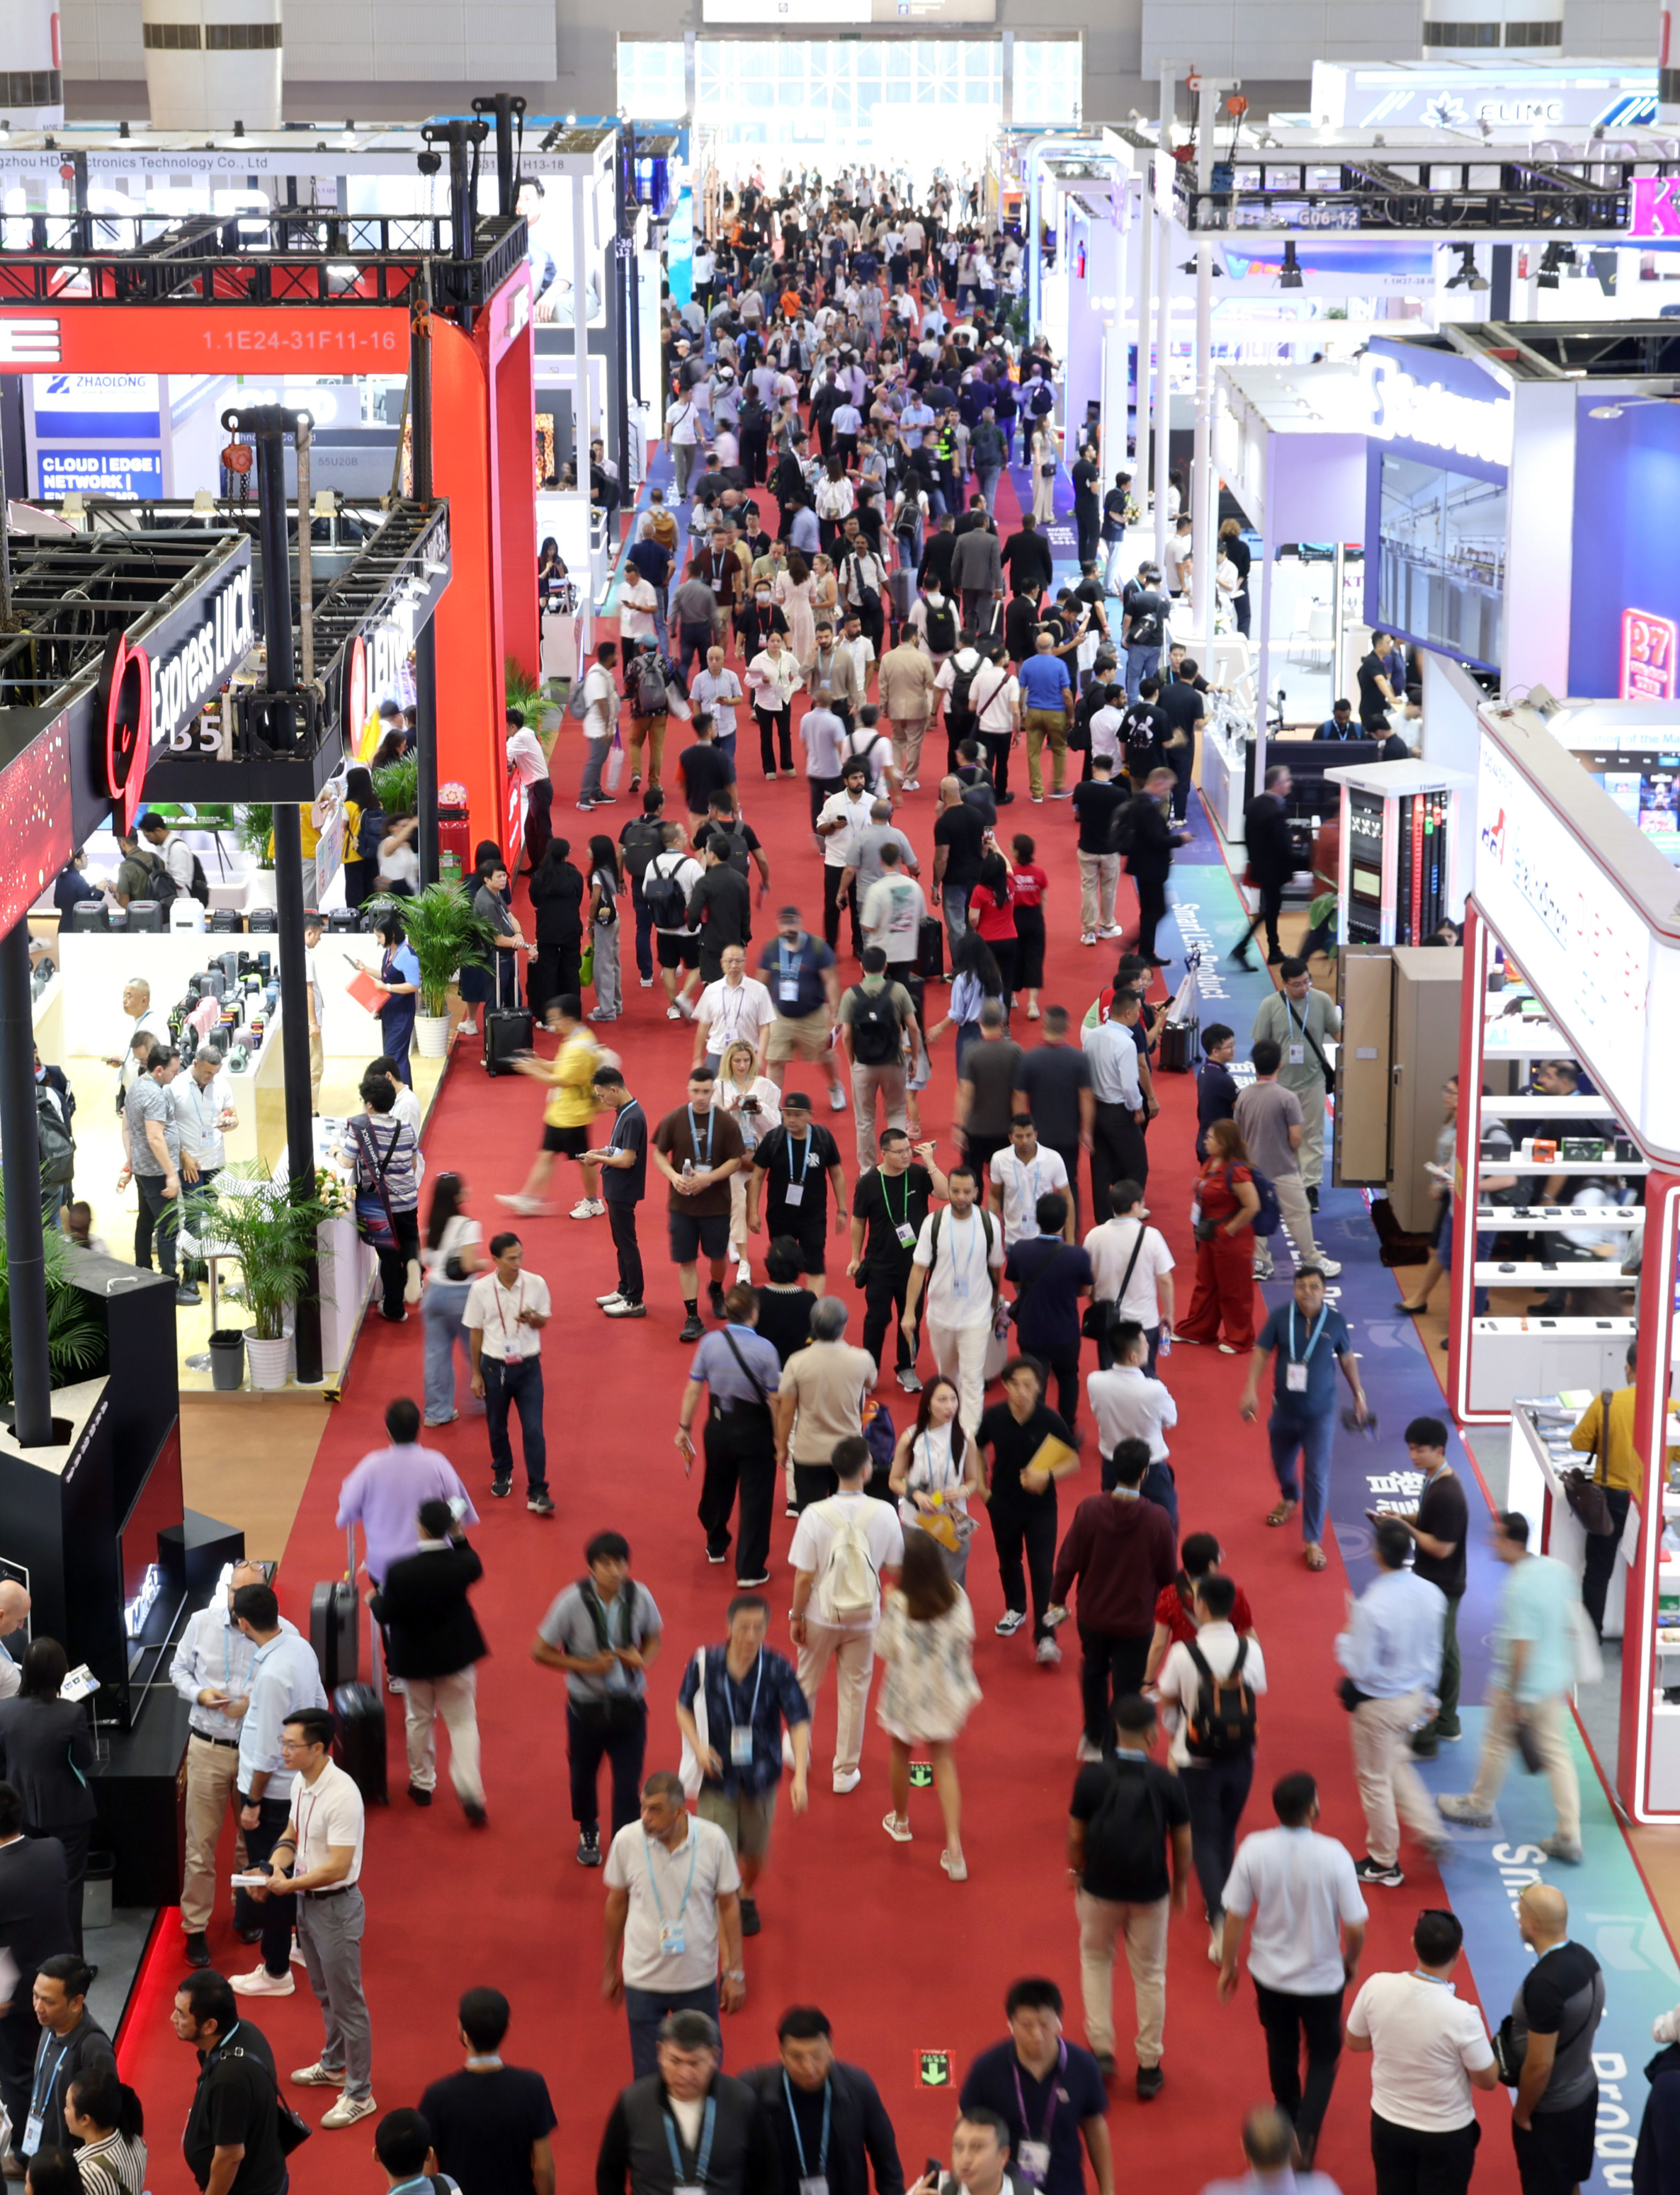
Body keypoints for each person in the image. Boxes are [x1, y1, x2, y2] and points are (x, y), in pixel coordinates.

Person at [1218, 1773, 1368, 2173]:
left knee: (1280, 2045)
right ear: (1313, 1809)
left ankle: (1285, 2118)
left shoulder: (1253, 1848)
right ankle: (1305, 2137)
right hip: (1322, 1979)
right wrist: (1351, 1959)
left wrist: (1229, 1965)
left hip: (1269, 1976)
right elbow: (1356, 1925)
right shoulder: (1334, 1854)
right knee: (1323, 2056)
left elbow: (1235, 1914)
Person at [249, 1707, 374, 2127]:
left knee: (348, 2002)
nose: (283, 1751)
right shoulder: (301, 1781)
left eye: (291, 1745)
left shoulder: (342, 1795)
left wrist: (288, 1886)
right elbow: (292, 1833)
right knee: (324, 1992)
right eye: (283, 1743)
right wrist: (275, 1867)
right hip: (309, 1902)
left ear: (318, 1748)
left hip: (336, 1907)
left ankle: (360, 2093)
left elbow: (339, 1866)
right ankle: (335, 2064)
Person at [1437, 1511, 1584, 1864]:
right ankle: (1569, 1834)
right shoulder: (1556, 1570)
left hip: (1520, 1686)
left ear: (1513, 1542)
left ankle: (1478, 1805)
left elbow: (1522, 1647)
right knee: (1557, 1754)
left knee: (1497, 1744)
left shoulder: (1518, 1588)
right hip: (1553, 1681)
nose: (1491, 1543)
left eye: (1496, 1537)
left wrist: (1517, 1695)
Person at [1064, 1694, 1192, 2094]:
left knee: (1096, 1960)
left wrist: (1077, 1871)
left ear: (1115, 1731)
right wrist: (1180, 1885)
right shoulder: (1167, 1782)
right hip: (1150, 1891)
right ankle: (1149, 2066)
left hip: (1099, 1888)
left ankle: (1102, 2048)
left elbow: (1076, 1835)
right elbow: (1183, 1842)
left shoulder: (1091, 1778)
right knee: (1150, 1975)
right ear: (1153, 1734)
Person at [169, 1558, 284, 1969]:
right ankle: (195, 1928)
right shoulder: (201, 1623)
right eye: (235, 1592)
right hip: (208, 1748)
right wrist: (199, 1694)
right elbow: (178, 1669)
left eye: (248, 1593)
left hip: (255, 1753)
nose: (239, 1602)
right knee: (200, 1846)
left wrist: (254, 1704)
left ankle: (246, 1911)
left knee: (249, 1841)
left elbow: (289, 1688)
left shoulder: (280, 1633)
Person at [675, 1597, 811, 1944]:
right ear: (728, 1627)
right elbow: (683, 1707)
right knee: (714, 1850)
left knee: (755, 1852)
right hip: (716, 1775)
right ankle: (723, 1904)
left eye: (758, 1628)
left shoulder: (777, 1667)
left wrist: (800, 1775)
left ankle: (746, 1892)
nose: (751, 1636)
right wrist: (698, 1746)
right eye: (743, 1628)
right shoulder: (705, 1663)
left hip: (761, 1775)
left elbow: (798, 1720)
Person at [1343, 1909, 1499, 2195]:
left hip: (1388, 2124)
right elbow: (1487, 2080)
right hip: (1446, 2134)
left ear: (1414, 1943)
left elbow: (1355, 2041)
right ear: (1458, 1953)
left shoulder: (1377, 1986)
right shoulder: (1463, 2015)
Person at [1153, 1576, 1268, 1958]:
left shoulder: (1183, 1653)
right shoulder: (1251, 1651)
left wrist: (1177, 1732)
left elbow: (1167, 1698)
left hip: (1195, 1759)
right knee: (1226, 1831)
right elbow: (1257, 1692)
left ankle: (1220, 1923)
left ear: (1200, 1606)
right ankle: (1224, 1903)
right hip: (1240, 1757)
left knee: (1202, 1836)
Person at [789, 1435, 905, 1793]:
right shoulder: (885, 1513)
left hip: (820, 1615)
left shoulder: (813, 1514)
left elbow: (804, 1576)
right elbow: (896, 1570)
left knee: (806, 1684)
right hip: (864, 1617)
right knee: (855, 1693)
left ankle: (798, 1751)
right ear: (867, 1470)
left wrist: (796, 1616)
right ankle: (844, 1772)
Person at [1334, 1520, 1446, 1890]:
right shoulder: (1433, 1594)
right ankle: (1430, 1829)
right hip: (1415, 1699)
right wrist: (1429, 1697)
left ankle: (1384, 1862)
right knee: (1394, 1761)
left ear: (1377, 1554)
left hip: (1379, 1708)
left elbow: (1360, 1667)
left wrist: (1345, 1637)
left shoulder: (1371, 1607)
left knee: (1375, 1781)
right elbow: (1435, 1651)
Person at [1049, 1444, 1177, 1760]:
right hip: (1136, 1621)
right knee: (1128, 1687)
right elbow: (1168, 1577)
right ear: (1145, 1473)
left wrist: (1056, 1600)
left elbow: (1067, 1561)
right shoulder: (1158, 1519)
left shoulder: (1089, 1509)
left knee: (1093, 1671)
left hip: (1093, 1615)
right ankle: (1117, 1748)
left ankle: (1094, 1737)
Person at [1238, 1266, 1368, 1572]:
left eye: (1314, 1286)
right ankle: (1289, 1497)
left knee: (1316, 1475)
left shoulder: (1335, 1321)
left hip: (1320, 1415)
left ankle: (1312, 1540)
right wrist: (1250, 1389)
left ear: (1324, 1291)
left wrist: (1358, 1394)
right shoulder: (1280, 1316)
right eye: (1301, 1286)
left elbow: (1347, 1358)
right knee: (1281, 1464)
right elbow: (1261, 1352)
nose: (1307, 1292)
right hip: (1284, 1409)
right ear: (1294, 1288)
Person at [369, 1502, 489, 1825]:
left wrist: (374, 1599)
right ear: (449, 1526)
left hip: (415, 1660)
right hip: (457, 1656)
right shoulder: (462, 1564)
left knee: (419, 1719)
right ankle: (469, 1787)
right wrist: (459, 1536)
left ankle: (422, 1784)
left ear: (420, 1528)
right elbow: (473, 1563)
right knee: (463, 1722)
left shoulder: (400, 1571)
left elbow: (387, 1613)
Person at [876, 1533, 981, 1878]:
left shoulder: (898, 1602)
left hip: (906, 1692)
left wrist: (888, 1606)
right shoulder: (957, 1596)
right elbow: (966, 1638)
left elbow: (885, 1648)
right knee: (944, 1762)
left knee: (900, 1753)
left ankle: (901, 1821)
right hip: (943, 1692)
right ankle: (954, 1850)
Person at [595, 2006, 780, 2195]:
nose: (685, 2074)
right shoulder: (633, 2102)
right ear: (661, 2053)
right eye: (675, 2061)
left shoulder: (743, 2101)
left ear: (714, 2056)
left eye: (695, 2063)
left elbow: (767, 2175)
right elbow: (610, 2173)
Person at [960, 1979, 1112, 2191]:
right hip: (1003, 2188)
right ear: (1011, 2024)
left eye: (1045, 2024)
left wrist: (1107, 2190)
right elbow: (964, 2128)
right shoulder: (987, 2069)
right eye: (1027, 2025)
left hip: (1065, 2187)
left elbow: (1095, 2128)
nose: (1037, 2035)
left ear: (1059, 2022)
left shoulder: (1083, 2066)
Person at [1503, 1884, 1605, 2195]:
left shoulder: (1544, 1985)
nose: (1519, 1922)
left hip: (1552, 2112)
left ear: (1533, 1925)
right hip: (1585, 2091)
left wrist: (1522, 2113)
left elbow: (1540, 2066)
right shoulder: (1587, 1959)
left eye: (1521, 1916)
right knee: (1569, 2181)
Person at [679, 1286, 782, 1588]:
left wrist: (684, 1427)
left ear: (728, 1311)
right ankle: (750, 1569)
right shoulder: (766, 1349)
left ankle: (716, 1543)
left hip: (718, 1427)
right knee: (756, 1498)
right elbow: (775, 1400)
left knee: (717, 1485)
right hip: (755, 1430)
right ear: (754, 1313)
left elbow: (694, 1388)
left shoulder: (710, 1343)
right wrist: (780, 1439)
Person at [1566, 1343, 1669, 1640]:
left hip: (1608, 1501)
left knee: (1598, 1573)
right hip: (1651, 1501)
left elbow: (1578, 1442)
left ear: (1629, 1367)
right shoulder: (1671, 1408)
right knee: (1646, 1575)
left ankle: (1591, 1639)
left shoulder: (1607, 1402)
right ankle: (1641, 1641)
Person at [744, 2006, 905, 2195]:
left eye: (817, 2055)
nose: (809, 2067)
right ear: (782, 2054)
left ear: (831, 2049)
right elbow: (732, 2161)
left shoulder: (858, 2087)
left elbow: (885, 2155)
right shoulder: (753, 2090)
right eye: (797, 2057)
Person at [0, 1648, 95, 1961]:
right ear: (61, 1673)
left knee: (27, 1888)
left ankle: (34, 1960)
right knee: (70, 1890)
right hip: (69, 1813)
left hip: (21, 1814)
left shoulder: (4, 1711)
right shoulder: (72, 1713)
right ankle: (71, 1965)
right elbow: (84, 1760)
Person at [976, 1357, 1072, 1662]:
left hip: (1042, 1508)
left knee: (1043, 1570)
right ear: (1005, 1385)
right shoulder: (994, 1416)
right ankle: (1016, 1608)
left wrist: (1048, 1476)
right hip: (1003, 1503)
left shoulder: (1050, 1420)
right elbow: (977, 1446)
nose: (1021, 1391)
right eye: (1015, 1384)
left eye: (1029, 1385)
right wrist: (982, 1489)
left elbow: (1072, 1459)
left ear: (1039, 1387)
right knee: (1009, 1560)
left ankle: (1047, 1637)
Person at [417, 1988, 557, 2195]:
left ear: (463, 2031)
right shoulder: (532, 2087)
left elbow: (426, 2173)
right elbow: (543, 2168)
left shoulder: (437, 2096)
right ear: (507, 2026)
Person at [904, 1167, 1005, 1439]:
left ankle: (969, 1441)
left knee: (973, 1381)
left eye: (967, 1192)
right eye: (956, 1191)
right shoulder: (934, 1223)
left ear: (976, 1192)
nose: (961, 1197)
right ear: (947, 1191)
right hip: (941, 1316)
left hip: (977, 1316)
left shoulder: (990, 1223)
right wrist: (909, 1313)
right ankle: (948, 1431)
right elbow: (918, 1269)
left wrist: (995, 1307)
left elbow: (995, 1269)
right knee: (947, 1378)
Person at [335, 1397, 480, 1586]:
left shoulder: (371, 1465)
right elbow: (458, 1507)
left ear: (388, 1431)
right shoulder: (437, 1463)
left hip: (385, 1567)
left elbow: (346, 1510)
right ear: (419, 1428)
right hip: (433, 1564)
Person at [0, 1787, 70, 2166]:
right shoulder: (53, 1850)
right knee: (60, 2062)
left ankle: (27, 2157)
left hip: (19, 1997)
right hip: (65, 1983)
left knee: (19, 2077)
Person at [174, 1970, 287, 2195]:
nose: (173, 2019)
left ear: (209, 2026)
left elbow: (231, 2156)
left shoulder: (229, 2079)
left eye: (181, 2014)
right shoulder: (244, 2030)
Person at [464, 1235, 553, 1512]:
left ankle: (538, 1490)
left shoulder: (536, 1284)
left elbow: (543, 1322)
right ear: (495, 1260)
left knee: (534, 1429)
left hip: (529, 1367)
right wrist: (476, 1374)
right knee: (496, 1425)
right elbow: (475, 1332)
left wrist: (533, 1319)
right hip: (494, 1367)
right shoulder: (480, 1290)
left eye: (520, 1256)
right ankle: (502, 1470)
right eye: (511, 1258)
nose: (518, 1263)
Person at [1236, 1042, 1339, 1282]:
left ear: (1255, 1066)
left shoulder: (1244, 1096)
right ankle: (1312, 1258)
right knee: (1299, 1212)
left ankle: (1261, 1263)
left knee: (1257, 1213)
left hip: (1253, 1168)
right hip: (1283, 1167)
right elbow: (1296, 1137)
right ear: (1279, 1065)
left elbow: (1239, 1133)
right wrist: (1289, 1150)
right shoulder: (1287, 1097)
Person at [775, 1295, 879, 1512]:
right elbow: (872, 1382)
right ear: (844, 1325)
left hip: (809, 1452)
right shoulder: (862, 1359)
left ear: (813, 1327)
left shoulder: (796, 1362)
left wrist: (783, 1447)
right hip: (849, 1452)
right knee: (848, 1516)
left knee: (810, 1516)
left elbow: (786, 1413)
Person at [1251, 961, 1340, 1204]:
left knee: (1313, 1135)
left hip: (1313, 1080)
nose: (1304, 988)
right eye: (1297, 985)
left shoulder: (1321, 1000)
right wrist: (1262, 1084)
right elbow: (1261, 1046)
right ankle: (1281, 1183)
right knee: (1279, 1135)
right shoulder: (1270, 1005)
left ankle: (1311, 1186)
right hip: (1280, 1085)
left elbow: (1337, 1032)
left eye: (1307, 982)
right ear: (1285, 984)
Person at [1003, 1194, 1091, 1432]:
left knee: (1033, 1380)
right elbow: (1085, 1290)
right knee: (1068, 1378)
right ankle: (1067, 1429)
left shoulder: (1021, 1249)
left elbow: (1017, 1283)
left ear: (1037, 1219)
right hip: (1066, 1332)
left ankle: (1035, 1429)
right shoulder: (1077, 1255)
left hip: (1031, 1330)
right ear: (1065, 1221)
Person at [747, 1091, 847, 1291]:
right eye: (788, 1114)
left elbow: (837, 1174)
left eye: (798, 1115)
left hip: (813, 1216)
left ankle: (812, 1308)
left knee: (815, 1266)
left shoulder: (822, 1138)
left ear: (810, 1115)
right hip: (780, 1215)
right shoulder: (774, 1139)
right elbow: (757, 1177)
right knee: (782, 1267)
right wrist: (753, 1212)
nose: (792, 1119)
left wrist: (842, 1210)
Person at [342, 1074, 422, 1324]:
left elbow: (347, 1162)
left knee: (389, 1257)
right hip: (408, 1199)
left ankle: (395, 1309)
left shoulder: (360, 1129)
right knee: (409, 1239)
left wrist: (335, 1151)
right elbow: (413, 1163)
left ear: (369, 1104)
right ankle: (413, 1264)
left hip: (381, 1205)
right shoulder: (405, 1128)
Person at [119, 1044, 195, 1304]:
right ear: (159, 1070)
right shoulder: (154, 1095)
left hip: (144, 1170)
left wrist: (131, 1161)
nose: (177, 1074)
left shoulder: (135, 1087)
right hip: (157, 1173)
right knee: (168, 1228)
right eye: (174, 1070)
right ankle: (170, 1286)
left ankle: (143, 1274)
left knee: (146, 1223)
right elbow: (155, 1138)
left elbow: (129, 1129)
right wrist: (171, 1174)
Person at [1178, 1119, 1261, 1353]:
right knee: (1206, 1283)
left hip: (1231, 1240)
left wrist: (1229, 1230)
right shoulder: (1211, 1162)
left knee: (1234, 1290)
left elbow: (1252, 1206)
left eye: (1211, 1138)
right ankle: (1199, 1330)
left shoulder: (1237, 1171)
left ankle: (1240, 1338)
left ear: (1224, 1143)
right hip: (1209, 1235)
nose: (1206, 1141)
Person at [20, 1957, 112, 2165]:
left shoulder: (94, 2048)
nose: (38, 2008)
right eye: (35, 1996)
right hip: (42, 2150)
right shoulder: (49, 2024)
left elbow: (105, 2118)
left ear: (76, 2003)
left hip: (69, 2165)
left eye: (49, 2002)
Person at [838, 950, 921, 1177]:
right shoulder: (898, 990)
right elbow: (913, 1027)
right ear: (885, 966)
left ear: (862, 967)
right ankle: (898, 1164)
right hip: (894, 1061)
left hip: (864, 1064)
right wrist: (914, 1057)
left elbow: (846, 1035)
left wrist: (853, 1061)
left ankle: (867, 1170)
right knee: (896, 1112)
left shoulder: (851, 995)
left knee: (865, 1120)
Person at [1014, 1011, 1094, 1231]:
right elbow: (1087, 1097)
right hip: (1069, 1135)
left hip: (1038, 1137)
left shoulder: (1029, 1059)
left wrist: (1020, 1135)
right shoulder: (1079, 1060)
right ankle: (1071, 1235)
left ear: (1044, 1025)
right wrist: (1087, 1131)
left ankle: (1035, 1234)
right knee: (1069, 1184)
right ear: (1067, 1027)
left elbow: (1019, 1098)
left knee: (1036, 1186)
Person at [758, 908, 845, 1110]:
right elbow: (761, 983)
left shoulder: (817, 947)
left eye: (792, 923)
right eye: (784, 923)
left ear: (800, 923)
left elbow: (831, 980)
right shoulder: (771, 948)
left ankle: (835, 1086)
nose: (788, 928)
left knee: (825, 1055)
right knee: (774, 1060)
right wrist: (759, 1012)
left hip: (813, 1015)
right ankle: (773, 1104)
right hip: (780, 1016)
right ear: (778, 925)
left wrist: (835, 1012)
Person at [1083, 1183, 1174, 1375]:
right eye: (1142, 1203)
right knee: (1145, 1376)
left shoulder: (1094, 1236)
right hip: (1144, 1322)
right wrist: (1169, 1313)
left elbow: (1088, 1280)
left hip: (1109, 1321)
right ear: (1135, 1206)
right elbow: (1165, 1279)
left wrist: (1096, 1303)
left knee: (1110, 1376)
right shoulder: (1152, 1237)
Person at [419, 1174, 486, 1428]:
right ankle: (484, 1400)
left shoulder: (433, 1225)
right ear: (458, 1196)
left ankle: (437, 1413)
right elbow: (468, 1265)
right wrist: (484, 1263)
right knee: (477, 1350)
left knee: (436, 1356)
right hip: (462, 1297)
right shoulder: (469, 1226)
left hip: (434, 1294)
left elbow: (427, 1259)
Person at [1082, 991, 1152, 1214]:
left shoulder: (1093, 1036)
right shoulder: (1126, 1043)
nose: (1140, 1015)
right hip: (1119, 1113)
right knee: (1138, 1166)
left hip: (1096, 1109)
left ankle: (1103, 1218)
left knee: (1100, 1170)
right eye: (1139, 1010)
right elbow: (1130, 1085)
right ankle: (1128, 1212)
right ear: (1128, 1013)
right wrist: (1139, 1108)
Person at [1121, 768, 1187, 967]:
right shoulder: (1147, 808)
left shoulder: (1139, 801)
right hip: (1150, 867)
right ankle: (1143, 950)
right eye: (1168, 788)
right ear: (1159, 783)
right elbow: (1157, 840)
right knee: (1155, 910)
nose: (1168, 792)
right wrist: (1180, 839)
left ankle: (1141, 947)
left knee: (1151, 910)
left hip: (1143, 865)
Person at [1230, 767, 1294, 971]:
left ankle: (1274, 950)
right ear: (1277, 784)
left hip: (1260, 866)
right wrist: (1290, 870)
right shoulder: (1275, 810)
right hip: (1273, 870)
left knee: (1271, 909)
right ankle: (1243, 948)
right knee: (1271, 909)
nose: (1291, 784)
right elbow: (1282, 845)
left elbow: (1248, 837)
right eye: (1287, 780)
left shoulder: (1254, 804)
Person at [693, 947, 776, 1080]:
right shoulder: (711, 991)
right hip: (718, 1053)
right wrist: (698, 1058)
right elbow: (704, 1025)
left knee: (746, 1091)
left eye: (738, 961)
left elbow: (765, 1027)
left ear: (745, 962)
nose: (734, 966)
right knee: (717, 1091)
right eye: (729, 961)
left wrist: (760, 1058)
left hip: (747, 1055)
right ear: (722, 963)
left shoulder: (759, 990)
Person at [63, 2065, 146, 2195]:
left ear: (85, 2119)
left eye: (68, 2107)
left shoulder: (84, 2175)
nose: (64, 2111)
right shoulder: (137, 2143)